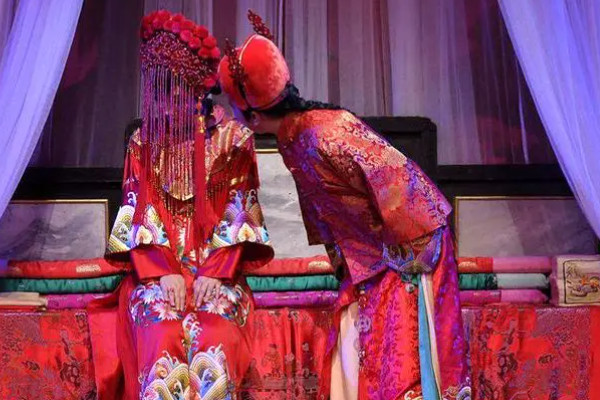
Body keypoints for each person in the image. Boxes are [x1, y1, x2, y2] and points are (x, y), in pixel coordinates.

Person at [217, 11, 471, 400]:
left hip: (409, 248)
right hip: (369, 260)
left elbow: (396, 177)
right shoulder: (292, 138)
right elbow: (325, 209)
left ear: (251, 115)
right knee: (358, 359)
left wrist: (410, 257)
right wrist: (344, 260)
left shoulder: (326, 130)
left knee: (405, 365)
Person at [105, 10, 272, 400]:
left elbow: (239, 213)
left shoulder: (233, 139)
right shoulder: (143, 142)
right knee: (162, 330)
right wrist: (162, 272)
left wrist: (216, 272)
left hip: (217, 270)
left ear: (197, 89)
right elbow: (138, 213)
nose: (166, 101)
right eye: (160, 90)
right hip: (156, 272)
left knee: (214, 331)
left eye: (174, 89)